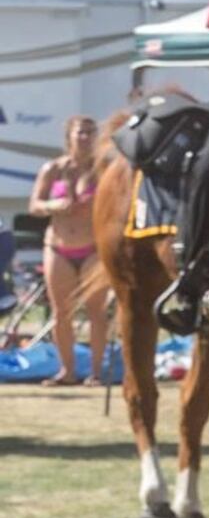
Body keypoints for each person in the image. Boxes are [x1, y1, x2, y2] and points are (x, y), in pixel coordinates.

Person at [30, 116, 108, 386]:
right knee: (61, 312)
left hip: (94, 248)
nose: (85, 138)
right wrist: (55, 205)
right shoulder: (53, 169)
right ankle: (67, 371)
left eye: (90, 132)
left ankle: (96, 372)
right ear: (69, 137)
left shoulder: (103, 169)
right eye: (80, 133)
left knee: (96, 311)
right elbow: (35, 205)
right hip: (58, 246)